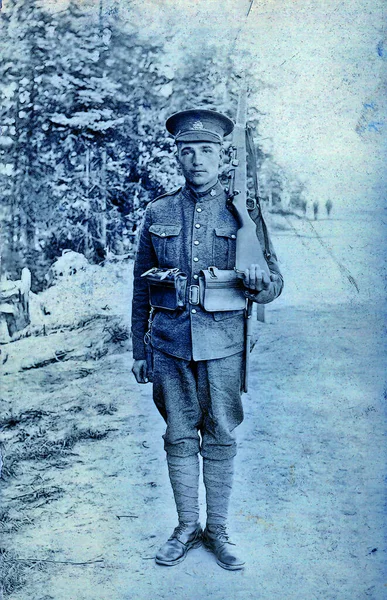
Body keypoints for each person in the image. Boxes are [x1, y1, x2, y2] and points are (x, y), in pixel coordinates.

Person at [131, 109, 283, 571]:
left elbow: (275, 284)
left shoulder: (245, 214)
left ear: (223, 158)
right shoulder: (156, 212)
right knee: (178, 436)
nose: (197, 160)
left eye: (207, 151)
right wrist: (140, 349)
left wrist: (258, 281)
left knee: (219, 436)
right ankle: (185, 528)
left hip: (224, 348)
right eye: (188, 151)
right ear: (177, 157)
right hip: (170, 345)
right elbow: (141, 286)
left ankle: (217, 530)